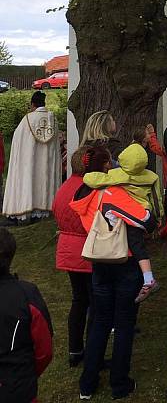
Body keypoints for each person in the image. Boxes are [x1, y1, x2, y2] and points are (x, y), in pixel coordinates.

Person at [71, 145, 157, 400]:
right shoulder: (113, 193)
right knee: (124, 324)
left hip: (99, 263)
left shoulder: (84, 192)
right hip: (125, 264)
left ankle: (87, 383)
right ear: (107, 166)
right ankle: (119, 383)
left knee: (99, 321)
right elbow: (145, 220)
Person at [83, 139, 163, 303]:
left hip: (127, 212)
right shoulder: (152, 176)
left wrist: (86, 175)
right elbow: (157, 198)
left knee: (133, 244)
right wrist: (158, 216)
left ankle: (148, 280)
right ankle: (148, 277)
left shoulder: (116, 175)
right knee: (138, 245)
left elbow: (94, 179)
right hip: (144, 210)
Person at [0, 226, 53, 403]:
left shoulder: (26, 295)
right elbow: (44, 350)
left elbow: (43, 349)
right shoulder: (26, 294)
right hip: (18, 386)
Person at [51, 150, 93, 368]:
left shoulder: (64, 188)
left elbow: (55, 211)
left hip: (68, 248)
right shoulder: (88, 189)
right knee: (95, 303)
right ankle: (93, 352)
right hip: (88, 249)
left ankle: (75, 350)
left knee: (79, 300)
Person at [2, 90, 61, 222]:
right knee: (43, 181)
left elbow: (18, 140)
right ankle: (43, 210)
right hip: (46, 164)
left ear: (33, 104)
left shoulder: (28, 119)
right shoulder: (53, 120)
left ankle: (25, 210)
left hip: (30, 162)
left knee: (29, 181)